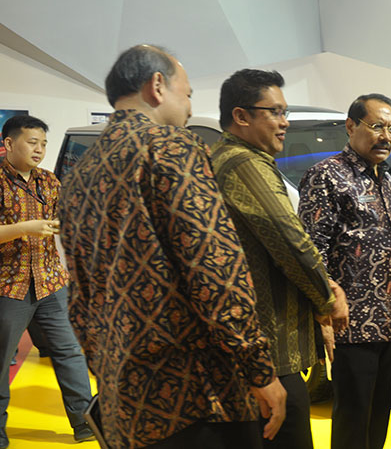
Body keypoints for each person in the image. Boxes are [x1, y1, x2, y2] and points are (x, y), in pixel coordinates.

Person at [57, 45, 286, 449]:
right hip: (194, 393)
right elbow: (216, 270)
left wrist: (106, 368)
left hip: (125, 396)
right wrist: (258, 368)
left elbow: (80, 296)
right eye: (188, 93)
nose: (190, 106)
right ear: (157, 85)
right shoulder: (172, 147)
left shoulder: (81, 173)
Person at [210, 69, 349, 448]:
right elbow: (290, 242)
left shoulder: (232, 158)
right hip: (269, 347)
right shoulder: (244, 164)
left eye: (284, 112)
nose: (284, 122)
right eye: (274, 112)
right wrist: (327, 298)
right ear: (241, 116)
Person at [298, 94, 391, 449]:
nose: (385, 137)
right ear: (351, 126)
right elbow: (311, 251)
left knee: (380, 415)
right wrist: (324, 307)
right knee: (353, 419)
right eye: (376, 127)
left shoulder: (388, 178)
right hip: (353, 324)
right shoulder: (327, 176)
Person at [0, 115, 95, 448]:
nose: (39, 149)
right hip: (8, 286)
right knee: (2, 361)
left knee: (70, 353)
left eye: (43, 143)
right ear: (9, 143)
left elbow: (62, 220)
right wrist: (25, 228)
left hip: (50, 282)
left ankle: (86, 424)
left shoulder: (49, 180)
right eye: (32, 142)